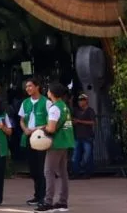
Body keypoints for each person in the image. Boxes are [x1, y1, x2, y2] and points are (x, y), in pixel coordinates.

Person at [38, 82, 74, 213]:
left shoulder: (54, 108)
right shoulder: (64, 106)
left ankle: (48, 202)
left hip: (56, 143)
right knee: (63, 173)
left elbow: (52, 128)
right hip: (65, 142)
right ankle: (63, 202)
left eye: (48, 90)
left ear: (51, 93)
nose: (47, 92)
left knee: (49, 172)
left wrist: (43, 129)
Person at [18, 77, 48, 207]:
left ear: (37, 87)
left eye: (30, 86)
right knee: (33, 169)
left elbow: (50, 122)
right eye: (26, 86)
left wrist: (36, 128)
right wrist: (25, 129)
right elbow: (21, 120)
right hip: (29, 138)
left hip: (42, 138)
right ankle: (37, 195)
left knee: (42, 169)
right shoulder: (25, 102)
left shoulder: (46, 102)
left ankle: (44, 196)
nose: (28, 88)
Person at [71, 93, 96, 179]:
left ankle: (87, 173)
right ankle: (75, 173)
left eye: (82, 100)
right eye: (79, 100)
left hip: (87, 137)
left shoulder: (90, 110)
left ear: (86, 101)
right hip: (78, 136)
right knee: (75, 156)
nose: (80, 102)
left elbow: (93, 122)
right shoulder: (76, 111)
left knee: (87, 155)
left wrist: (80, 121)